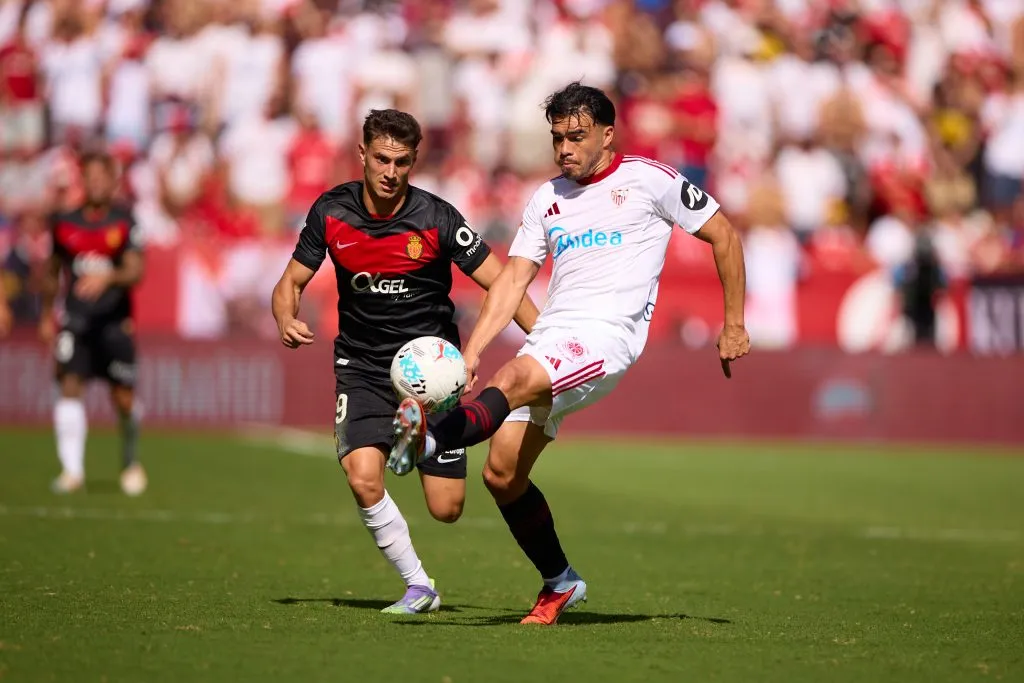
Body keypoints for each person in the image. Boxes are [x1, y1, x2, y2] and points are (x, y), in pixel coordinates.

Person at [388, 83, 750, 624]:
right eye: (557, 137)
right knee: (502, 475)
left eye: (576, 136)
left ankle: (432, 436)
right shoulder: (547, 198)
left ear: (608, 134)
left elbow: (724, 235)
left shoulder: (650, 180)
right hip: (552, 335)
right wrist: (471, 353)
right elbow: (512, 281)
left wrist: (734, 324)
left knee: (513, 378)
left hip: (606, 339)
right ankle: (560, 582)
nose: (564, 148)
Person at [271, 109, 538, 615]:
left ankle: (414, 436)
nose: (390, 172)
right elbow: (290, 284)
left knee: (447, 510)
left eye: (401, 162)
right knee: (363, 477)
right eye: (381, 160)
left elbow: (503, 282)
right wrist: (285, 317)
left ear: (414, 161)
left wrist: (544, 341)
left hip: (432, 373)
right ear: (362, 155)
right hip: (363, 364)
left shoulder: (437, 218)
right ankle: (420, 586)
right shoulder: (331, 212)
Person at [42, 151, 147, 496]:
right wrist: (46, 314)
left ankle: (130, 461)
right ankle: (71, 471)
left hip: (115, 323)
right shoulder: (64, 222)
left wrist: (108, 277)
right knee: (69, 384)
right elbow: (52, 270)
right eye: (90, 177)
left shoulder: (124, 221)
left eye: (103, 177)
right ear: (82, 180)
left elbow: (136, 271)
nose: (96, 183)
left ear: (113, 181)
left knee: (123, 398)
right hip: (76, 320)